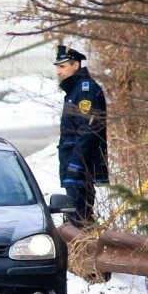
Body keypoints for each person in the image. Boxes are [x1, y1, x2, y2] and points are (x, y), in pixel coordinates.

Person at [54, 44, 108, 228]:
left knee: (79, 219)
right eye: (57, 67)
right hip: (72, 162)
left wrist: (76, 164)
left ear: (76, 65)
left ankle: (84, 250)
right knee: (74, 217)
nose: (58, 72)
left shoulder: (85, 90)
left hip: (80, 165)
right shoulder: (74, 90)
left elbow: (88, 130)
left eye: (62, 67)